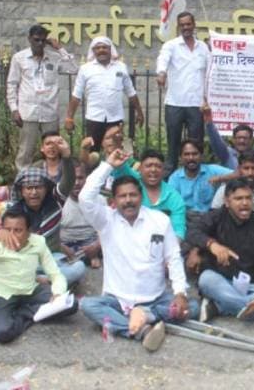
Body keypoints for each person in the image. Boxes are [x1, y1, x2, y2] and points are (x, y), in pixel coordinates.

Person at [78, 150, 198, 352]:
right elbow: (85, 197)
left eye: (133, 195)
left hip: (155, 299)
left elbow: (174, 257)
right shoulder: (106, 220)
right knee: (88, 306)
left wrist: (179, 292)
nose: (128, 200)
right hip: (117, 300)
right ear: (113, 201)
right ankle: (141, 330)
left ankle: (142, 317)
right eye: (122, 196)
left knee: (191, 306)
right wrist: (108, 165)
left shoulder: (160, 220)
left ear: (140, 197)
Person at [189, 178, 254, 324]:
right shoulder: (217, 216)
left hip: (252, 285)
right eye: (238, 198)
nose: (245, 203)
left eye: (248, 198)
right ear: (227, 201)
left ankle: (218, 306)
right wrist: (212, 245)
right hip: (223, 280)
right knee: (206, 279)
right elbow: (192, 231)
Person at [0, 209, 78, 344]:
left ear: (29, 232)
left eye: (18, 230)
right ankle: (28, 314)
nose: (11, 235)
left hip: (29, 290)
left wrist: (58, 293)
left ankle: (20, 314)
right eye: (8, 229)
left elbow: (55, 274)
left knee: (70, 304)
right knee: (2, 332)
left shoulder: (38, 242)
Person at [8, 25, 78, 169]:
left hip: (49, 112)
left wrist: (59, 48)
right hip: (28, 113)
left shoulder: (54, 57)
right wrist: (14, 109)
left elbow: (73, 68)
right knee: (25, 152)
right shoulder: (19, 58)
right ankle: (23, 182)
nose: (39, 43)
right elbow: (12, 84)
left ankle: (52, 181)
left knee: (53, 150)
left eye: (43, 40)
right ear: (29, 39)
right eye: (36, 40)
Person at [8, 159, 86, 287]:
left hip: (53, 259)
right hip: (25, 262)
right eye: (29, 188)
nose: (34, 192)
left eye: (38, 187)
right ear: (22, 191)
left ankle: (42, 282)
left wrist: (66, 156)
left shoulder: (54, 203)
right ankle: (47, 282)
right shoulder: (13, 212)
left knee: (80, 268)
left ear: (45, 189)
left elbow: (69, 181)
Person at [65, 36, 143, 153]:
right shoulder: (86, 69)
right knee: (92, 152)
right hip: (94, 118)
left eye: (104, 47)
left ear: (110, 49)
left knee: (116, 150)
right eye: (98, 48)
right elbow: (76, 95)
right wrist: (69, 118)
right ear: (93, 51)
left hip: (115, 118)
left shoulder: (121, 67)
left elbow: (131, 92)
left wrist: (139, 112)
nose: (101, 50)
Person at [156, 12, 210, 174]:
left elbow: (211, 69)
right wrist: (161, 73)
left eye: (188, 24)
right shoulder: (171, 45)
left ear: (194, 25)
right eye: (182, 25)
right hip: (175, 104)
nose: (186, 27)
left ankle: (195, 175)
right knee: (173, 146)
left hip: (196, 105)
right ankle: (170, 178)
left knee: (196, 146)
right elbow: (162, 59)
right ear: (178, 27)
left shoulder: (203, 47)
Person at [112, 149, 188, 239]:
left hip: (163, 246)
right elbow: (119, 167)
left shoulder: (174, 197)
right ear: (140, 168)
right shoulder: (132, 183)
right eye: (148, 166)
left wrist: (169, 250)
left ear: (163, 170)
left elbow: (178, 231)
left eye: (158, 166)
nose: (153, 170)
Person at [167, 139, 234, 226]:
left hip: (211, 220)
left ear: (201, 156)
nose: (191, 158)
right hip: (186, 222)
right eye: (186, 154)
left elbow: (239, 174)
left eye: (195, 154)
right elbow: (173, 207)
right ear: (180, 157)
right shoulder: (175, 178)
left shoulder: (213, 170)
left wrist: (221, 178)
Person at [203, 97, 254, 170]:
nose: (242, 141)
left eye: (245, 138)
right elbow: (216, 141)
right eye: (239, 138)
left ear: (251, 140)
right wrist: (209, 121)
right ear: (233, 139)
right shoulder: (227, 155)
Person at [60, 161, 102, 270]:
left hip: (91, 242)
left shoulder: (99, 199)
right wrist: (62, 247)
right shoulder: (56, 201)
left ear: (87, 178)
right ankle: (85, 259)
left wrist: (97, 246)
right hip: (65, 246)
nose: (76, 183)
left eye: (80, 178)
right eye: (72, 179)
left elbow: (108, 229)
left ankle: (89, 257)